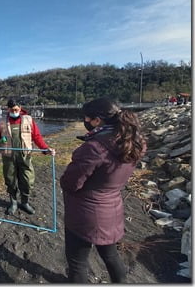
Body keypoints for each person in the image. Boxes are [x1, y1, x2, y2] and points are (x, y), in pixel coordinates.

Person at [60, 98, 146, 283]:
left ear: (97, 120)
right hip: (112, 208)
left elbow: (70, 183)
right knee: (111, 254)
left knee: (78, 262)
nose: (85, 121)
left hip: (85, 214)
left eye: (87, 118)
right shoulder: (133, 142)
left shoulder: (94, 148)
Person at [0, 98, 56, 215]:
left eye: (16, 109)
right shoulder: (2, 121)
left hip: (25, 156)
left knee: (27, 180)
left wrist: (45, 149)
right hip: (8, 157)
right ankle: (13, 203)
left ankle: (24, 202)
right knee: (10, 180)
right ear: (8, 109)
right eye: (12, 110)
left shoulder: (28, 119)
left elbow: (37, 137)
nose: (14, 111)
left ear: (20, 108)